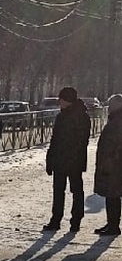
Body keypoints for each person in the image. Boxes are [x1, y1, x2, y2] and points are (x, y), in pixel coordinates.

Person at [44, 86, 91, 232]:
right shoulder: (63, 116)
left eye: (61, 99)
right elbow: (55, 139)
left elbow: (82, 141)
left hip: (72, 160)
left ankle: (75, 220)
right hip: (61, 160)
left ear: (67, 100)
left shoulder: (81, 117)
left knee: (75, 190)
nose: (59, 102)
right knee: (60, 191)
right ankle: (56, 220)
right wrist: (50, 159)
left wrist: (66, 156)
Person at [93, 94, 122, 236]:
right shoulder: (116, 120)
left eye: (111, 105)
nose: (108, 108)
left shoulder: (117, 122)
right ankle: (111, 223)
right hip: (113, 163)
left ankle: (113, 226)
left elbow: (115, 145)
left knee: (113, 195)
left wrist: (109, 162)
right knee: (112, 196)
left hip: (114, 165)